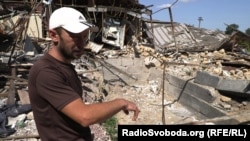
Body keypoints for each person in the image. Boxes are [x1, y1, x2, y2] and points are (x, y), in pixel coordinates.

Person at [28, 7, 140, 141]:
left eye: (85, 36)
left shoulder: (65, 66)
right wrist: (120, 102)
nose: (82, 43)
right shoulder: (46, 72)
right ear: (54, 35)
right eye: (75, 37)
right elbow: (85, 116)